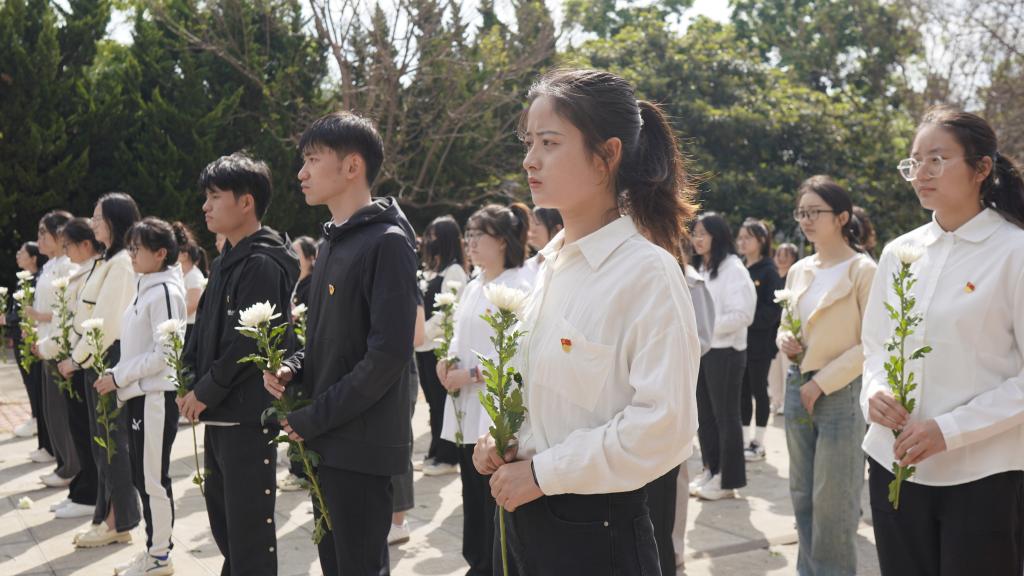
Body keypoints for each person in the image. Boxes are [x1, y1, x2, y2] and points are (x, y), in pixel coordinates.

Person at [473, 68, 700, 576]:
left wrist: (543, 472)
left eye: (550, 142)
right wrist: (505, 439)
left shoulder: (646, 272)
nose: (530, 159)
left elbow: (665, 427)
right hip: (521, 519)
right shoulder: (549, 266)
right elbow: (552, 402)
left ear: (607, 154)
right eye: (529, 142)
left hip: (597, 535)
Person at [863, 107, 1024, 575]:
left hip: (983, 473)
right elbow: (876, 345)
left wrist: (949, 430)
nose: (921, 173)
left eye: (936, 159)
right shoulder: (900, 252)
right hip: (894, 463)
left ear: (982, 168)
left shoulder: (1014, 252)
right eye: (914, 161)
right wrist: (874, 391)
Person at [264, 111, 419, 576]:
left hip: (361, 444)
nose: (301, 173)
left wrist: (314, 416)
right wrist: (295, 365)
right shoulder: (333, 241)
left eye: (313, 160)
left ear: (352, 166)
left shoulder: (387, 242)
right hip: (329, 437)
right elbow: (326, 336)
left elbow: (388, 355)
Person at [179, 153, 298, 576]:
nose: (205, 206)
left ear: (246, 202)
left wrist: (205, 390)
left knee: (249, 535)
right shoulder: (227, 260)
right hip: (221, 413)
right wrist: (188, 380)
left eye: (215, 197)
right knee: (226, 526)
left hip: (247, 416)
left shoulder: (262, 262)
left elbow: (247, 342)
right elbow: (202, 328)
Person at [778, 175, 876, 575]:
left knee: (833, 502)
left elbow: (872, 343)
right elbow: (786, 324)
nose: (805, 220)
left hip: (840, 393)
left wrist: (823, 382)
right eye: (801, 212)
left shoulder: (863, 270)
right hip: (797, 385)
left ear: (842, 217)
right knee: (802, 494)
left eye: (814, 212)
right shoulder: (799, 270)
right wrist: (785, 340)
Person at [437, 203, 533, 575]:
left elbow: (517, 350)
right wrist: (447, 360)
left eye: (480, 235)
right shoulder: (474, 284)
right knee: (472, 496)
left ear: (503, 241)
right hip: (465, 407)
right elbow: (459, 337)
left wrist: (471, 374)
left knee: (493, 500)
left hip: (493, 410)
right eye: (469, 235)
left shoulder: (520, 284)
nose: (471, 242)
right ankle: (477, 563)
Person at [94, 218, 186, 576]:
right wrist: (117, 376)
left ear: (160, 253)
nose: (131, 254)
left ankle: (160, 556)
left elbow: (166, 354)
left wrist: (118, 376)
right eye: (130, 247)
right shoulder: (146, 286)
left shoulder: (165, 291)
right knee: (143, 478)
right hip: (139, 396)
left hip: (155, 397)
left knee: (152, 480)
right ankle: (153, 550)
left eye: (137, 249)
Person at [58, 192, 143, 548]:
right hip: (97, 357)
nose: (92, 223)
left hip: (107, 357)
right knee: (102, 445)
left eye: (98, 217)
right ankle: (108, 517)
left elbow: (106, 323)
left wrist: (76, 359)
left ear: (114, 220)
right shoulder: (109, 260)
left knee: (111, 444)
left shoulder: (121, 263)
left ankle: (117, 521)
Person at [38, 218, 102, 519]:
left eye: (68, 246)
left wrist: (67, 355)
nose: (66, 252)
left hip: (79, 361)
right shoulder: (82, 271)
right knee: (78, 429)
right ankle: (81, 490)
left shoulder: (95, 272)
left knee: (85, 433)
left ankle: (88, 495)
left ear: (85, 245)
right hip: (69, 358)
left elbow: (79, 323)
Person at [689, 212, 756, 501]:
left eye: (703, 233)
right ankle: (711, 469)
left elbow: (742, 315)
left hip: (726, 351)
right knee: (704, 415)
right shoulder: (701, 268)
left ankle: (728, 481)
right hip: (703, 350)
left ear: (718, 236)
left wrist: (705, 328)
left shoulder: (733, 269)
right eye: (694, 233)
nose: (697, 239)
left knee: (725, 416)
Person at [414, 216, 469, 477]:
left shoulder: (454, 271)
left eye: (435, 237)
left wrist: (423, 331)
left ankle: (448, 456)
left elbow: (450, 312)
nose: (429, 241)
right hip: (423, 347)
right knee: (433, 404)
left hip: (439, 346)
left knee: (442, 403)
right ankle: (435, 451)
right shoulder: (431, 271)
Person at [28, 211, 77, 490]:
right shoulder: (50, 265)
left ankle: (71, 466)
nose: (39, 239)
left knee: (60, 410)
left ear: (59, 235)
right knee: (50, 409)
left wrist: (39, 317)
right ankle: (63, 463)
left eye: (43, 233)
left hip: (59, 343)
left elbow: (66, 311)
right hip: (46, 341)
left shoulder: (68, 266)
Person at [737, 218, 782, 461]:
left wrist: (746, 319)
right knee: (742, 391)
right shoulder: (739, 267)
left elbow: (773, 309)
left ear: (762, 241)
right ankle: (745, 439)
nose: (742, 242)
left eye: (748, 237)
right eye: (740, 237)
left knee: (758, 390)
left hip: (759, 343)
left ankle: (759, 442)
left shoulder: (768, 271)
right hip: (738, 341)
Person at [278, 234, 318, 493]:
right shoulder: (295, 283)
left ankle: (302, 471)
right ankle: (296, 467)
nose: (292, 257)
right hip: (293, 358)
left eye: (297, 253)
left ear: (311, 258)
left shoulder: (312, 285)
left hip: (305, 355)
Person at [4, 242, 50, 454]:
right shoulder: (22, 280)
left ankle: (37, 418)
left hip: (31, 338)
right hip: (19, 335)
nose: (17, 255)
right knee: (27, 378)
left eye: (22, 252)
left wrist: (7, 319)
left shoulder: (39, 279)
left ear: (33, 258)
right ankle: (34, 416)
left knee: (34, 380)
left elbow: (28, 312)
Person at [769, 242, 800, 414]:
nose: (781, 259)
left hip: (786, 330)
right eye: (778, 255)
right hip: (771, 330)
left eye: (786, 255)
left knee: (785, 367)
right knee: (773, 370)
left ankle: (786, 402)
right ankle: (776, 400)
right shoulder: (773, 276)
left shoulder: (795, 277)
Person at [172, 222, 207, 344]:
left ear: (184, 255)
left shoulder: (194, 275)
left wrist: (174, 318)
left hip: (190, 326)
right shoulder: (183, 274)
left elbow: (193, 304)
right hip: (184, 324)